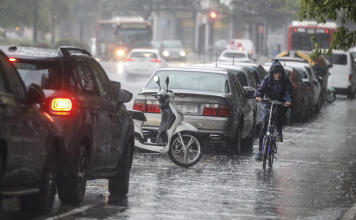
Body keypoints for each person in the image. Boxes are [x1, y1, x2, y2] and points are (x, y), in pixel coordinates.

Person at [254, 60, 293, 161]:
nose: (277, 75)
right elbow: (261, 89)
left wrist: (288, 101)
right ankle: (259, 151)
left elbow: (288, 92)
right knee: (263, 127)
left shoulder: (285, 80)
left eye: (279, 73)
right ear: (272, 73)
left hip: (279, 103)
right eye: (275, 73)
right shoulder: (267, 79)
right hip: (267, 103)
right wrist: (258, 96)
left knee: (279, 116)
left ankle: (279, 132)